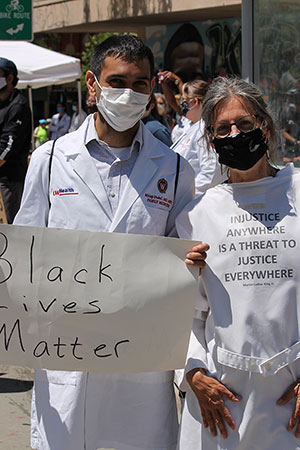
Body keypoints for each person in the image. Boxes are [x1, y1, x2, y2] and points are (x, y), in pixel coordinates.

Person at [14, 34, 207, 450]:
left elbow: (188, 261)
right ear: (92, 84)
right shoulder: (49, 161)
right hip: (65, 349)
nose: (128, 94)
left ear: (153, 88)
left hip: (139, 360)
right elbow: (22, 255)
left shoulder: (174, 170)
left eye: (140, 84)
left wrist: (192, 261)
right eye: (117, 81)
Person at [176, 76, 300, 450]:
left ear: (265, 125)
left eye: (245, 124)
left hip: (291, 395)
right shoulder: (195, 216)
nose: (235, 133)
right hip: (221, 394)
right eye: (223, 128)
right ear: (211, 140)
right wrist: (193, 372)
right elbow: (185, 313)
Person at [171, 80, 224, 195]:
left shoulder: (204, 129)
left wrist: (185, 196)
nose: (181, 105)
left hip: (192, 201)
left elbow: (211, 173)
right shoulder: (195, 126)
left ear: (194, 102)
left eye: (184, 101)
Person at [0, 57, 32, 223]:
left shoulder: (18, 105)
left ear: (9, 78)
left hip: (8, 180)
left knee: (8, 230)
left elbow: (7, 145)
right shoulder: (3, 104)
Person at [281, 86, 300, 163]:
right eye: (289, 99)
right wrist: (296, 142)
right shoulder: (285, 112)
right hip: (289, 152)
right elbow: (283, 131)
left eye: (292, 99)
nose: (289, 102)